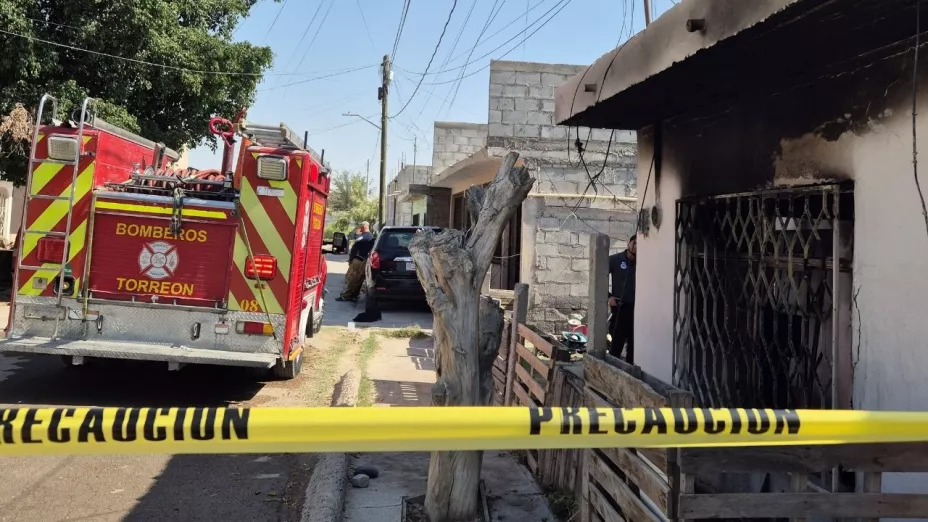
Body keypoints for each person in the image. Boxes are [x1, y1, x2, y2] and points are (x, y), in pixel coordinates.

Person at [608, 234, 636, 362]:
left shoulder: (644, 263)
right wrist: (609, 297)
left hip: (636, 310)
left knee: (633, 347)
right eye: (634, 243)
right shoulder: (615, 260)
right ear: (629, 243)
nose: (636, 247)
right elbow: (599, 277)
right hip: (620, 307)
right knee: (616, 345)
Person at [337, 222, 375, 302]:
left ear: (363, 227)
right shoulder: (371, 237)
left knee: (352, 279)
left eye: (361, 227)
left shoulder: (363, 237)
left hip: (358, 260)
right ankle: (354, 295)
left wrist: (351, 259)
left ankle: (346, 296)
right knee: (359, 280)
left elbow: (354, 248)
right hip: (365, 260)